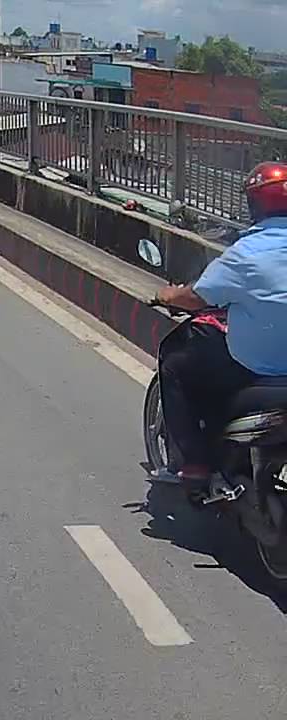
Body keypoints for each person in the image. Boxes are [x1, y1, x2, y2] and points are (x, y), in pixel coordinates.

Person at [154, 160, 287, 486]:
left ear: (254, 204)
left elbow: (195, 297)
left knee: (175, 365)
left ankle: (196, 464)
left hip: (258, 370)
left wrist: (166, 295)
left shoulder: (246, 252)